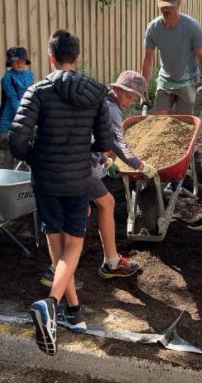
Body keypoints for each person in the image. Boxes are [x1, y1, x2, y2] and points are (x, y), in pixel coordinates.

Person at [9, 29, 112, 356]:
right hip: (78, 179)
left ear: (51, 57)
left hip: (47, 180)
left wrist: (35, 157)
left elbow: (16, 139)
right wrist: (87, 149)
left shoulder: (37, 91)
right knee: (74, 245)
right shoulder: (96, 93)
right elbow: (105, 142)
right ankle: (68, 309)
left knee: (57, 243)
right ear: (77, 58)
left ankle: (57, 305)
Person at [39, 70, 157, 287]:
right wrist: (139, 165)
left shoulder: (97, 101)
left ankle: (91, 264)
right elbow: (117, 143)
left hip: (66, 161)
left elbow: (87, 135)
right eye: (129, 96)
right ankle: (99, 265)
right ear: (118, 89)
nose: (130, 102)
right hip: (79, 166)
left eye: (134, 98)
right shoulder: (111, 109)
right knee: (100, 205)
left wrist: (103, 161)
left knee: (92, 207)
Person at [141, 0, 202, 115]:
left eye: (169, 5)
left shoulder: (192, 27)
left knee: (182, 122)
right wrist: (143, 90)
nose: (165, 9)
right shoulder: (153, 28)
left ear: (178, 4)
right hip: (165, 81)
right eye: (162, 5)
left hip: (187, 81)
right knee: (161, 119)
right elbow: (147, 60)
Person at [0, 46, 34, 169]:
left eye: (22, 60)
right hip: (8, 121)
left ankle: (21, 185)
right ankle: (6, 184)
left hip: (25, 119)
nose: (19, 63)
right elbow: (13, 99)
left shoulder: (30, 75)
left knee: (25, 155)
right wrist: (25, 117)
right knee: (9, 156)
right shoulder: (7, 78)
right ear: (10, 62)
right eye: (16, 61)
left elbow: (32, 96)